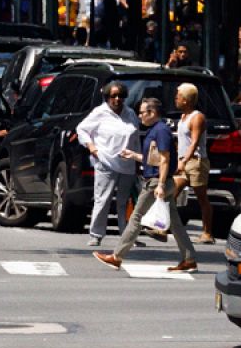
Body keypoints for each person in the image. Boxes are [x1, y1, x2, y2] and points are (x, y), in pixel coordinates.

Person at [94, 97, 197, 272]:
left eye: (142, 113)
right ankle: (189, 259)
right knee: (175, 223)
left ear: (152, 112)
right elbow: (154, 160)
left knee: (136, 217)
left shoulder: (161, 131)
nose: (140, 116)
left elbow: (165, 159)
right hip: (161, 180)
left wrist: (161, 185)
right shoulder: (156, 129)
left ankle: (117, 257)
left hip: (156, 182)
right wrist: (134, 156)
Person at [77, 81, 141, 247]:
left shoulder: (130, 113)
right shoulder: (100, 112)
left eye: (120, 96)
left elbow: (135, 138)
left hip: (127, 164)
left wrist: (138, 160)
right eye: (113, 96)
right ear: (107, 97)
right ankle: (96, 234)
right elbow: (82, 129)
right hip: (105, 161)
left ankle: (127, 235)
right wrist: (92, 147)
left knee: (125, 201)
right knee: (103, 199)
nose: (117, 99)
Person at [174, 82, 213, 244]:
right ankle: (162, 227)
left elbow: (194, 142)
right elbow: (183, 142)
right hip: (183, 162)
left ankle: (207, 233)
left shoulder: (197, 117)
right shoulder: (183, 117)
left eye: (178, 96)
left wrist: (184, 161)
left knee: (202, 198)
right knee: (170, 194)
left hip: (196, 162)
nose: (175, 99)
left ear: (186, 100)